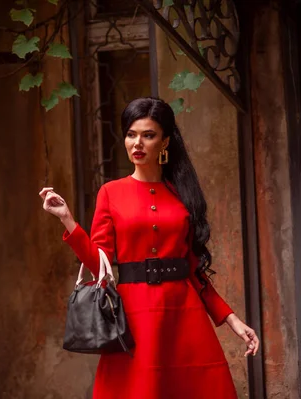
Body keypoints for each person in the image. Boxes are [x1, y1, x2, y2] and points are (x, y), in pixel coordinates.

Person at [39, 97, 259, 399]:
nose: (137, 143)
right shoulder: (110, 192)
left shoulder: (182, 194)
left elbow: (194, 271)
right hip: (134, 317)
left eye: (148, 135)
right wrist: (67, 220)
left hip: (185, 315)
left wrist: (233, 320)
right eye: (131, 134)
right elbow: (98, 262)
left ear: (165, 141)